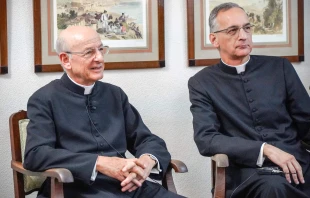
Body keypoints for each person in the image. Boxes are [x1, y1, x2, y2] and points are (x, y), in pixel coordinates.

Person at [24, 26, 184, 198]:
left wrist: (147, 160)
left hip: (128, 187)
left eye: (101, 49)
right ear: (65, 59)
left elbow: (146, 139)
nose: (99, 58)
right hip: (77, 190)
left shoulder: (115, 94)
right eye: (89, 52)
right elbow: (36, 154)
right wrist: (99, 163)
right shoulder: (44, 99)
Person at [188, 2, 310, 198]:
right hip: (248, 173)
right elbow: (206, 139)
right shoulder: (202, 83)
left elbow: (306, 121)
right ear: (214, 39)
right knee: (273, 188)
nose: (243, 35)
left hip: (297, 164)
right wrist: (265, 149)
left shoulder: (280, 67)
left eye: (246, 28)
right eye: (232, 30)